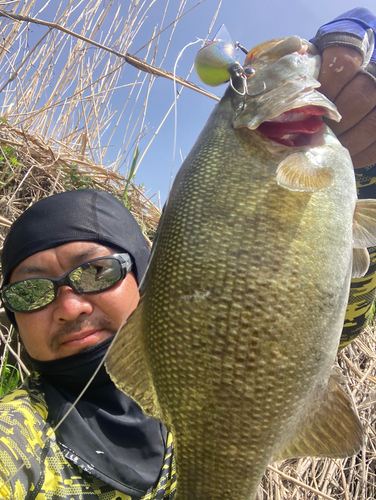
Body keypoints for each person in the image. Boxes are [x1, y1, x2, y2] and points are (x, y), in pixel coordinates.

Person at [1, 7, 376, 499]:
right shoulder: (18, 440)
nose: (69, 305)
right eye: (30, 290)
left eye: (95, 271)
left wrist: (366, 172)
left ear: (146, 280)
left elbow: (340, 322)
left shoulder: (190, 424)